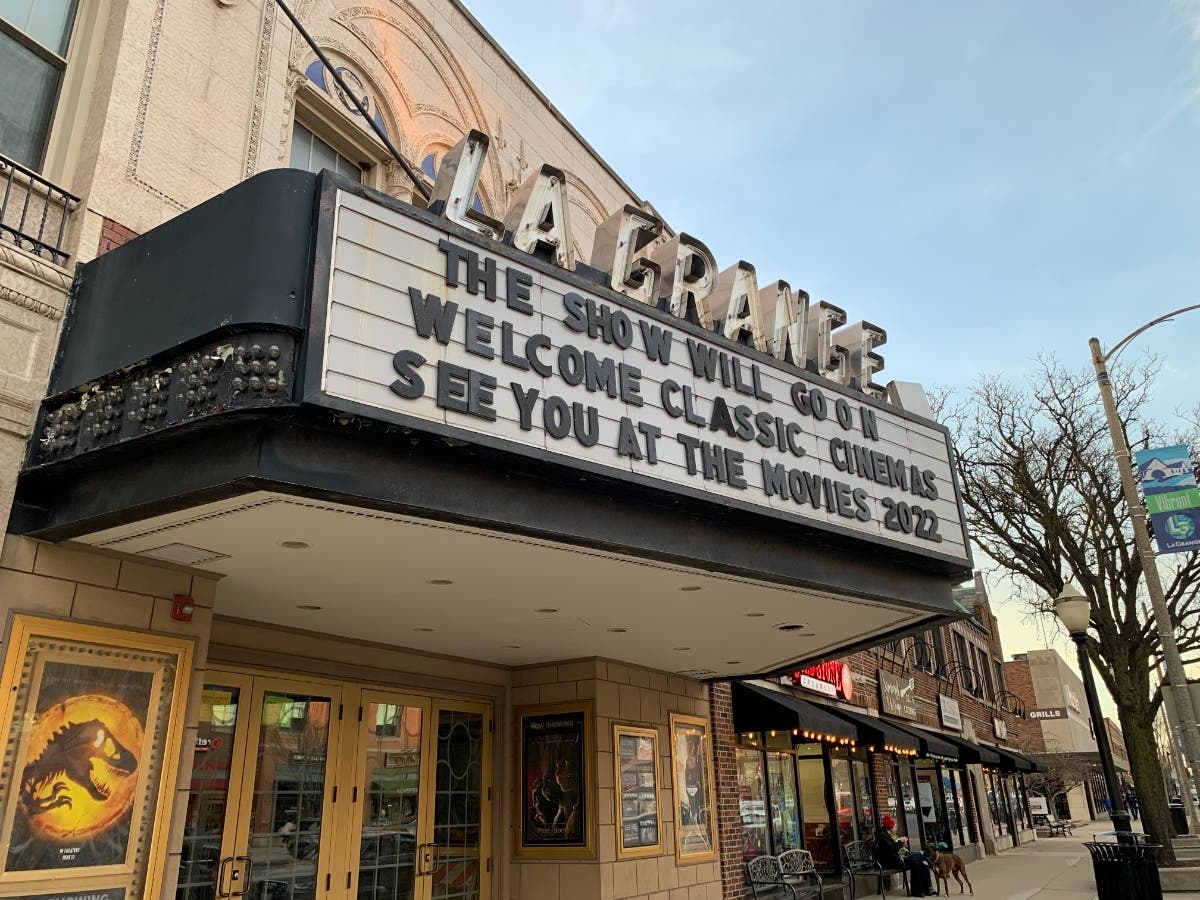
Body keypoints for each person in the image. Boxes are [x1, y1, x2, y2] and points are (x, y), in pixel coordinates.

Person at [874, 815, 934, 897]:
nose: (895, 827)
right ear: (890, 826)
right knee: (915, 863)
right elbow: (892, 849)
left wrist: (901, 844)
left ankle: (925, 889)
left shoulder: (885, 834)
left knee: (920, 862)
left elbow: (892, 847)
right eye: (893, 825)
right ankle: (917, 891)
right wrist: (900, 842)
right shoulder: (882, 835)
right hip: (888, 862)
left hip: (894, 859)